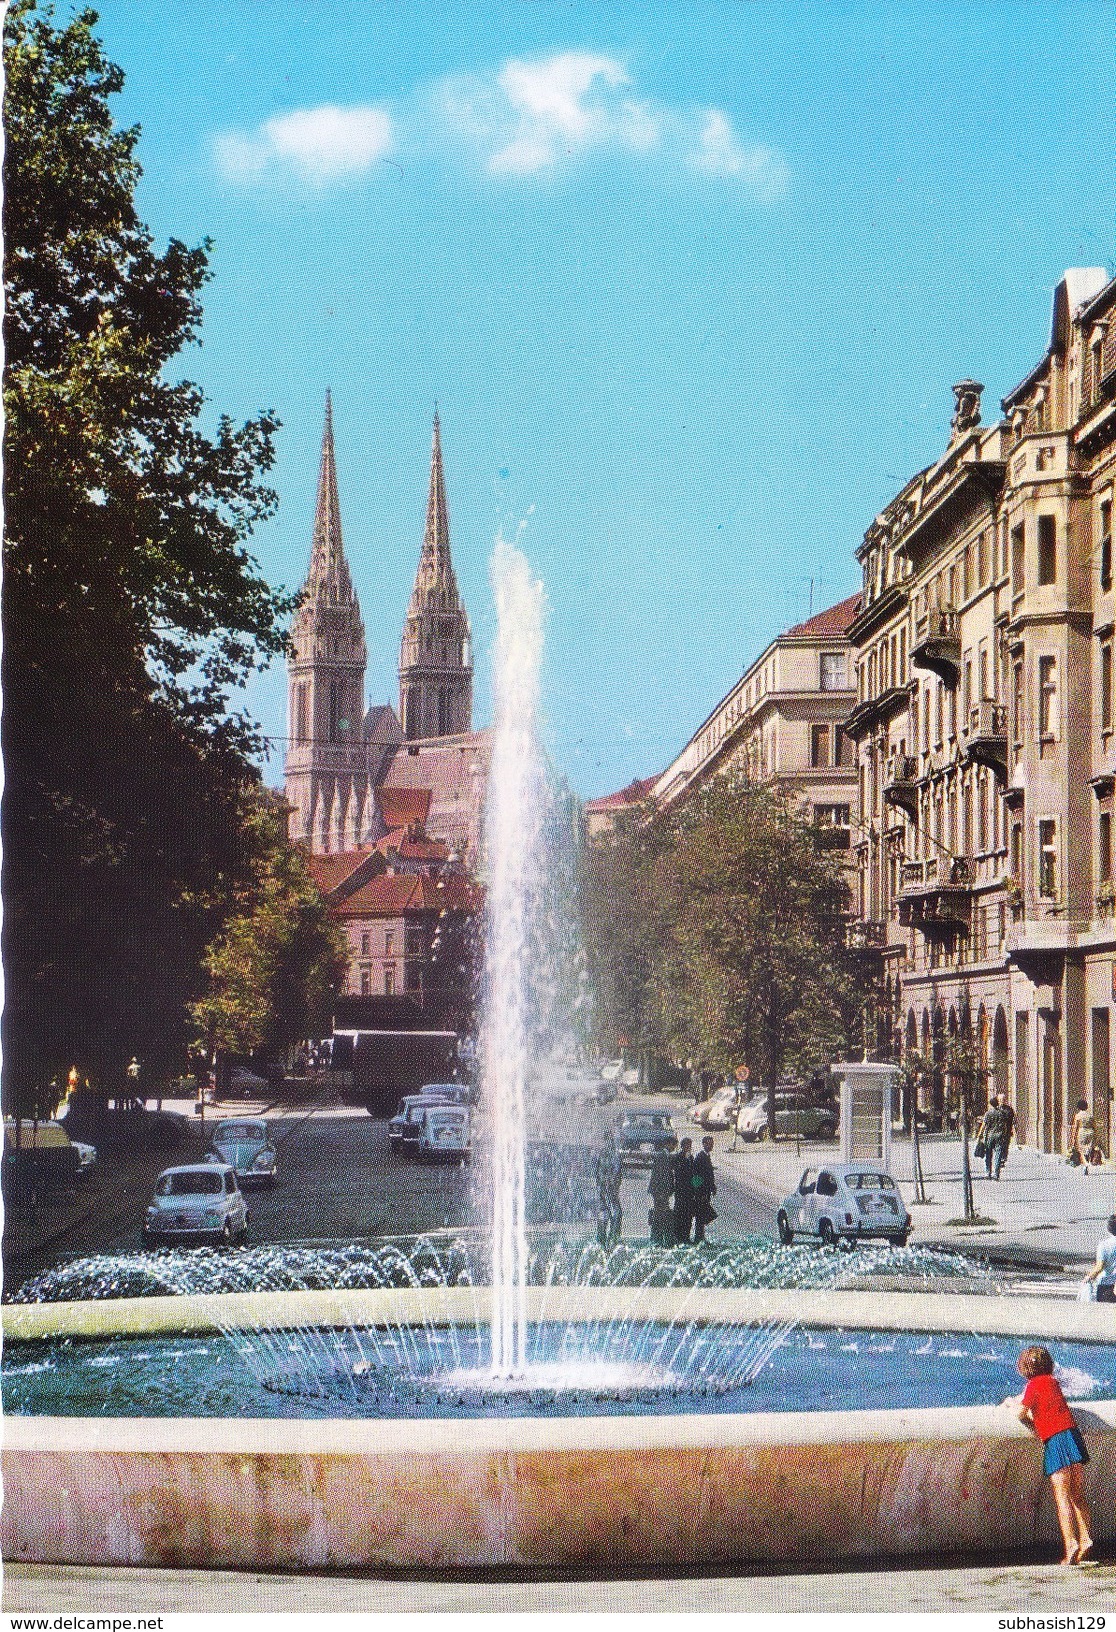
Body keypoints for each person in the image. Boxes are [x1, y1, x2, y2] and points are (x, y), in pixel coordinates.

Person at [1011, 1346, 1093, 1565]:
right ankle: (1086, 1539)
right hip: (1072, 1436)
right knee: (1078, 1494)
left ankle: (1071, 1545)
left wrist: (1031, 1421)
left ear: (1025, 1368)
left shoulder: (1032, 1386)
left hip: (1055, 1441)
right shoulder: (1053, 1382)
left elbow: (1020, 1413)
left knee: (1062, 1498)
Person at [595, 1131, 623, 1250]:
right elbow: (608, 1171)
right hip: (608, 1188)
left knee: (606, 1213)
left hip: (606, 1188)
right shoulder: (609, 1152)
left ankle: (603, 1239)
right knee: (615, 1213)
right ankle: (611, 1239)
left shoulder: (607, 1151)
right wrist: (609, 1182)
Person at [648, 1136, 677, 1246]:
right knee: (660, 1213)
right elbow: (659, 1176)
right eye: (673, 1145)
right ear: (668, 1144)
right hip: (660, 1191)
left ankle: (658, 1237)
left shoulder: (665, 1156)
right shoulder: (662, 1156)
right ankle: (656, 1238)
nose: (674, 1148)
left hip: (662, 1191)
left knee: (661, 1213)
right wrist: (660, 1193)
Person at [1084, 1214, 1116, 1304]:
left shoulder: (1104, 1245)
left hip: (1105, 1286)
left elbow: (1099, 1267)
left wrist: (1089, 1277)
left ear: (1109, 1229)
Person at [692, 1135, 718, 1244]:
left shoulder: (706, 1156)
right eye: (708, 1143)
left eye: (712, 1143)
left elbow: (709, 1175)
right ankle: (699, 1237)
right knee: (700, 1215)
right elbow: (696, 1176)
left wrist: (712, 1187)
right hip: (701, 1192)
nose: (711, 1145)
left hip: (706, 1191)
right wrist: (699, 1193)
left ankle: (701, 1236)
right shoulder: (700, 1157)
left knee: (702, 1214)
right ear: (703, 1144)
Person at [673, 1137, 695, 1245]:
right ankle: (677, 1236)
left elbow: (693, 1173)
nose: (688, 1148)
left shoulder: (691, 1157)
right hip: (681, 1191)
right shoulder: (679, 1157)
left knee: (688, 1216)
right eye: (686, 1146)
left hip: (689, 1193)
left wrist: (696, 1187)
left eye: (690, 1146)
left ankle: (686, 1236)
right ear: (682, 1146)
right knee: (679, 1214)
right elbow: (679, 1174)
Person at [989, 1094, 1015, 1181]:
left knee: (1005, 1146)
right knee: (997, 1150)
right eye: (1000, 1099)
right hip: (997, 1133)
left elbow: (1012, 1119)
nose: (1002, 1101)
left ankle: (1002, 1160)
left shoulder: (1009, 1109)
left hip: (1006, 1131)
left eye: (1003, 1099)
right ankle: (997, 1165)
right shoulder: (995, 1110)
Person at [976, 1095, 1001, 1180]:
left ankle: (988, 1172)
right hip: (999, 1136)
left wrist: (979, 1134)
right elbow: (1004, 1126)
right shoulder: (1001, 1113)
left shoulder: (988, 1113)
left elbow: (984, 1125)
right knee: (998, 1154)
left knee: (988, 1154)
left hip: (989, 1136)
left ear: (990, 1104)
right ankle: (996, 1174)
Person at [1068, 1099, 1095, 1167]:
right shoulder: (1090, 1115)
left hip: (1082, 1132)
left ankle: (1086, 1164)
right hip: (1090, 1132)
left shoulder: (1077, 1116)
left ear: (1078, 1107)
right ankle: (1088, 1160)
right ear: (1086, 1106)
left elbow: (1075, 1127)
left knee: (1081, 1150)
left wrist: (1073, 1138)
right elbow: (1094, 1126)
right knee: (1088, 1148)